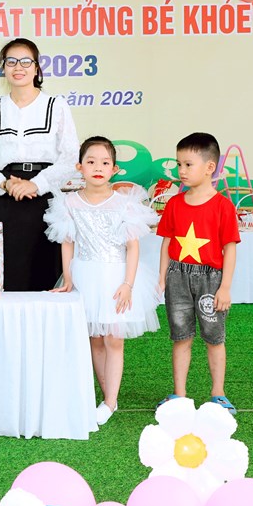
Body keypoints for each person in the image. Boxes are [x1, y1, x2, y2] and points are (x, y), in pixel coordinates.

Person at [44, 136, 159, 426]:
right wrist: (68, 276)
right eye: (91, 162)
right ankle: (109, 396)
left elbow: (133, 247)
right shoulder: (69, 202)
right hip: (85, 275)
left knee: (114, 338)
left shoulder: (124, 204)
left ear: (115, 169)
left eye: (105, 163)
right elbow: (67, 241)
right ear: (79, 167)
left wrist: (128, 284)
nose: (98, 168)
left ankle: (109, 401)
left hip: (115, 278)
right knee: (94, 338)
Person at [0, 38, 78, 291]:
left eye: (25, 61)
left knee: (46, 273)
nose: (18, 67)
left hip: (45, 200)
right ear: (3, 67)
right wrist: (5, 184)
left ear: (37, 67)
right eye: (11, 61)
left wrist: (36, 184)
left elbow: (70, 157)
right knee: (6, 274)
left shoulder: (56, 106)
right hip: (5, 200)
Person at [156, 132, 241, 415]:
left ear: (209, 167)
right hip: (177, 277)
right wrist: (162, 276)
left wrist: (224, 287)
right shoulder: (174, 204)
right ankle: (179, 394)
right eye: (179, 164)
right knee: (181, 336)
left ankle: (218, 393)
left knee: (214, 337)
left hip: (210, 278)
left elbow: (230, 249)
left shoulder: (223, 206)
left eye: (188, 164)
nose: (181, 170)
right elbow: (167, 242)